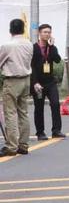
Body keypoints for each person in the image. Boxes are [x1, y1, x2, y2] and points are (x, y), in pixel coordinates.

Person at [0, 18, 33, 156]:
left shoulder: (8, 46)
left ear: (10, 30)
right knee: (23, 113)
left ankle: (11, 146)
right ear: (23, 29)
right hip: (26, 80)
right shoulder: (29, 44)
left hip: (12, 81)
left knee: (10, 113)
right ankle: (23, 145)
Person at [31, 23, 65, 140]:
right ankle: (40, 132)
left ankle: (56, 130)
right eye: (45, 32)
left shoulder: (51, 48)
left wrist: (52, 47)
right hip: (38, 83)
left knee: (55, 104)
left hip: (50, 82)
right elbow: (32, 67)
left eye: (49, 32)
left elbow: (57, 60)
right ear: (39, 33)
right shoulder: (34, 48)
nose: (47, 34)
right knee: (39, 107)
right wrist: (35, 82)